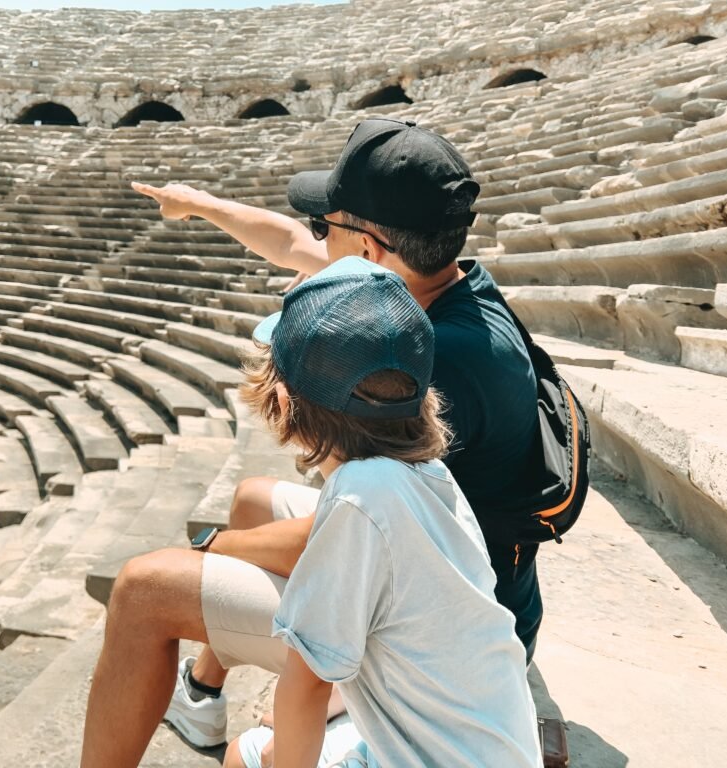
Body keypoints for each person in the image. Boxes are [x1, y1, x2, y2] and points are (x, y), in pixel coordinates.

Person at [79, 118, 541, 765]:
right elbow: (291, 244)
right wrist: (200, 205)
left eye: (330, 228)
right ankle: (203, 689)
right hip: (450, 611)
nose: (316, 241)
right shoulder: (418, 312)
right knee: (252, 498)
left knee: (144, 589)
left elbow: (355, 532)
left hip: (414, 617)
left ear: (374, 253)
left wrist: (219, 547)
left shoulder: (449, 366)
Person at [221, 257, 540, 768]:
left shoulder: (360, 496)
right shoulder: (428, 473)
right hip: (492, 749)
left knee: (244, 757)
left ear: (282, 401)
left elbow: (304, 687)